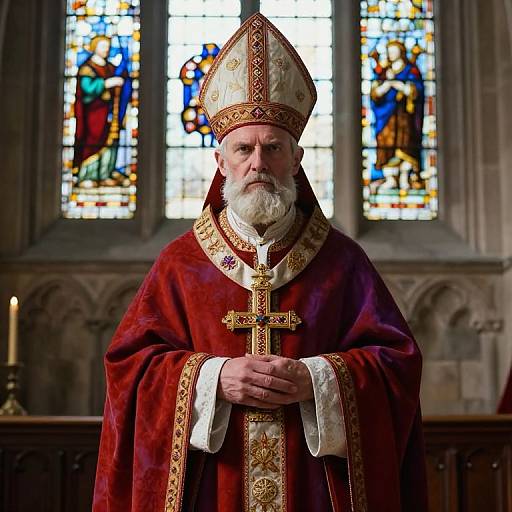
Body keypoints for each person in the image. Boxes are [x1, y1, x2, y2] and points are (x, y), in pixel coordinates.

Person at [93, 14, 427, 512]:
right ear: (220, 162)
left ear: (295, 159)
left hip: (312, 490)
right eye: (243, 149)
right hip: (212, 489)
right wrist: (213, 377)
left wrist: (316, 380)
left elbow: (395, 364)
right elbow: (130, 370)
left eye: (273, 148)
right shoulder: (182, 263)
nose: (258, 163)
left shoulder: (342, 261)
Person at [72, 36, 131, 188]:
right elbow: (87, 89)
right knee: (93, 140)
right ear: (94, 47)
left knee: (110, 141)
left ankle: (105, 173)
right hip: (94, 114)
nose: (106, 49)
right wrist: (106, 83)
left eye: (108, 46)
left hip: (110, 113)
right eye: (103, 46)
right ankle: (87, 175)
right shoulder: (87, 68)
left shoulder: (111, 67)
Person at [370, 40, 425, 192]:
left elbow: (416, 91)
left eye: (394, 51)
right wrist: (388, 84)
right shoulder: (383, 71)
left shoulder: (411, 70)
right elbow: (375, 94)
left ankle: (404, 177)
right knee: (385, 144)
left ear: (401, 52)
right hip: (385, 115)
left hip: (404, 117)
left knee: (406, 144)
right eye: (389, 51)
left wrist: (397, 83)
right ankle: (390, 179)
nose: (391, 54)